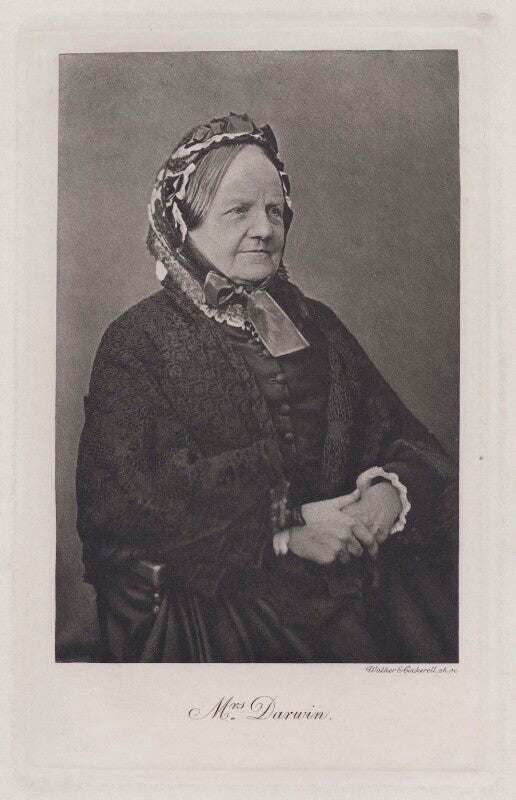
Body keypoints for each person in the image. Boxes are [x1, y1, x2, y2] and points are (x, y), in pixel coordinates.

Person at [76, 112, 458, 663]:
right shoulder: (138, 341)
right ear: (183, 226)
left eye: (275, 210)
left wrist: (386, 494)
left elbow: (403, 437)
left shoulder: (316, 324)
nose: (265, 228)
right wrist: (285, 531)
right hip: (227, 602)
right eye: (239, 211)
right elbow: (125, 504)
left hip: (356, 581)